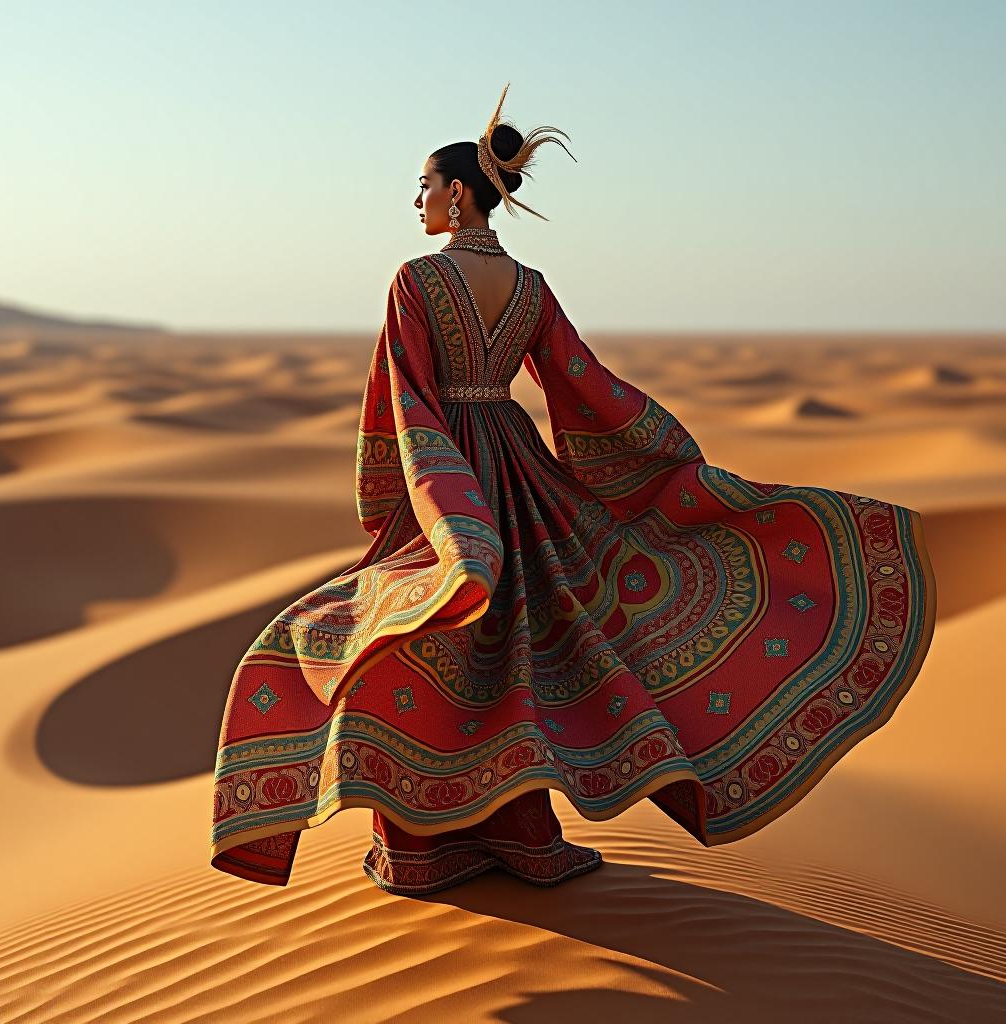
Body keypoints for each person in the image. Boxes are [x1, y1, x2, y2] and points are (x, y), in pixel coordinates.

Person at [210, 82, 937, 896]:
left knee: (430, 635)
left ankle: (425, 847)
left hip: (451, 474)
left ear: (458, 193)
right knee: (524, 650)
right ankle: (522, 837)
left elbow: (404, 402)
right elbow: (583, 385)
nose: (416, 199)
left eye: (423, 184)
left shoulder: (416, 280)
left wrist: (421, 502)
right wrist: (661, 463)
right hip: (523, 474)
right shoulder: (530, 287)